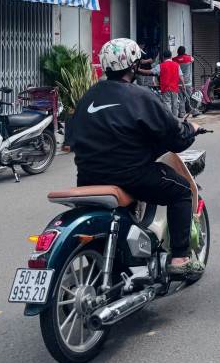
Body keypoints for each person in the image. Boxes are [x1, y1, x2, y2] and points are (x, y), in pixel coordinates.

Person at [65, 38, 202, 276]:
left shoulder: (88, 97)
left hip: (88, 178)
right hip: (131, 177)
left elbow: (71, 139)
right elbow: (175, 137)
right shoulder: (140, 96)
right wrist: (192, 129)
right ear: (134, 65)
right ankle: (180, 258)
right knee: (181, 191)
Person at [152, 49, 183, 117]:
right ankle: (175, 120)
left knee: (167, 103)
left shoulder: (161, 65)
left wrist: (139, 70)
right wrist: (183, 85)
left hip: (166, 88)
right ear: (171, 56)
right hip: (175, 88)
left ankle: (169, 119)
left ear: (163, 57)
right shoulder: (176, 65)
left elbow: (151, 72)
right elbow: (181, 76)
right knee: (175, 104)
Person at [172, 46, 197, 115]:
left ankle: (182, 113)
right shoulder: (189, 58)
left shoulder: (174, 59)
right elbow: (193, 59)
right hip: (187, 82)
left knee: (181, 99)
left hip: (178, 82)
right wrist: (186, 55)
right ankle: (194, 112)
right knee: (190, 98)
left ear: (178, 51)